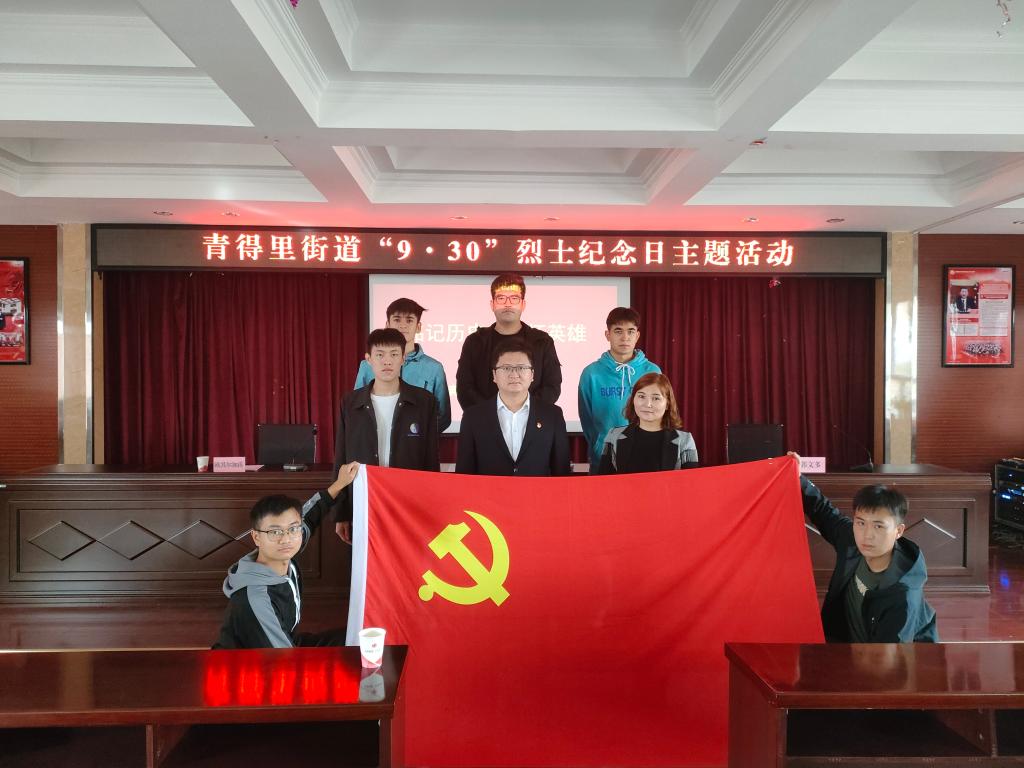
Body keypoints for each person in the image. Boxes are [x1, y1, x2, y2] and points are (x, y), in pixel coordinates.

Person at [789, 452, 938, 643]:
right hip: (841, 644)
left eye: (878, 526)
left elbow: (891, 655)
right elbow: (823, 511)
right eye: (861, 523)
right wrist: (797, 476)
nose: (867, 535)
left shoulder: (902, 595)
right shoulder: (852, 541)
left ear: (899, 531)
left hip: (886, 656)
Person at [213, 462, 359, 648]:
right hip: (254, 661)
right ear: (256, 537)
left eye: (293, 529)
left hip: (284, 644)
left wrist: (339, 483)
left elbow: (311, 516)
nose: (286, 539)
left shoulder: (283, 550)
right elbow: (282, 659)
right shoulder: (257, 598)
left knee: (356, 637)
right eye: (275, 532)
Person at [333, 328, 440, 543]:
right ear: (368, 359)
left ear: (403, 359)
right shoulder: (351, 403)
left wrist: (431, 508)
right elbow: (341, 458)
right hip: (365, 499)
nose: (387, 361)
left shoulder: (424, 401)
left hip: (409, 502)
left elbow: (430, 460)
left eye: (394, 354)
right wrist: (341, 513)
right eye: (380, 355)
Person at [456, 339, 570, 476]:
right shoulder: (473, 417)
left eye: (521, 368)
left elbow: (562, 473)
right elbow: (464, 474)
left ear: (532, 374)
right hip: (489, 491)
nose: (514, 374)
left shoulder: (552, 415)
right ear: (494, 375)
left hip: (536, 490)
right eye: (506, 368)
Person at [456, 273, 561, 409]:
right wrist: (493, 414)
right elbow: (465, 389)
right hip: (484, 419)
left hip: (534, 418)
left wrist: (523, 414)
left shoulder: (542, 341)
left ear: (523, 304)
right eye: (501, 298)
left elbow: (552, 387)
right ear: (492, 304)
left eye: (514, 298)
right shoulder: (475, 342)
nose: (507, 304)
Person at [578, 307, 661, 471]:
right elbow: (587, 421)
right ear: (607, 335)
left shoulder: (652, 372)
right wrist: (599, 447)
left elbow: (660, 416)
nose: (625, 337)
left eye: (630, 331)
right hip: (604, 461)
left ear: (637, 335)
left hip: (646, 461)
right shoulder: (591, 374)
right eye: (618, 331)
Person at [354, 297, 451, 431]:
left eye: (409, 320)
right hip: (375, 440)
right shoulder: (367, 365)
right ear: (387, 324)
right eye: (397, 319)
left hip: (417, 441)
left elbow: (443, 416)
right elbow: (357, 407)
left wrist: (417, 435)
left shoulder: (434, 368)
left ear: (418, 327)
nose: (403, 326)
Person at [596, 372, 698, 474]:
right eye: (641, 396)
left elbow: (691, 481)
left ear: (667, 404)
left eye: (656, 398)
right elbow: (603, 480)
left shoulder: (685, 441)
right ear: (633, 400)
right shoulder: (614, 436)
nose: (647, 404)